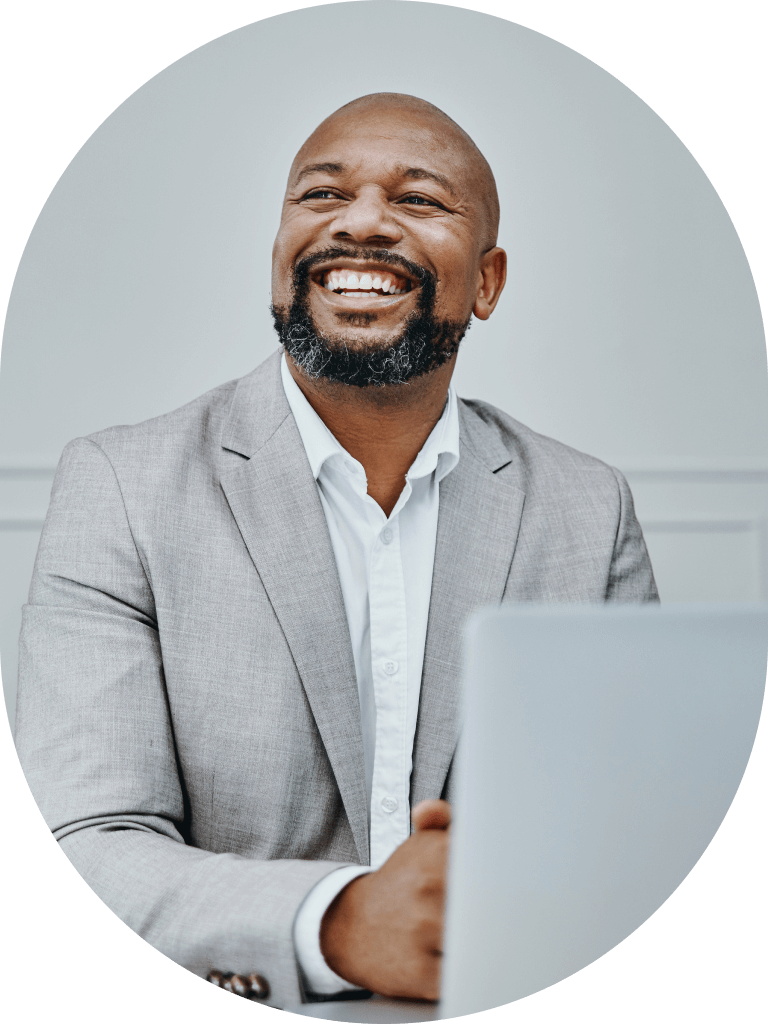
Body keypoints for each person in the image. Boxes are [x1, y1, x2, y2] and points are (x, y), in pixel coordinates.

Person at [15, 93, 658, 1009]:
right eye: (320, 196)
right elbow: (87, 840)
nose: (361, 223)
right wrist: (340, 923)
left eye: (420, 200)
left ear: (487, 281)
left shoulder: (589, 510)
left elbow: (633, 831)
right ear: (280, 259)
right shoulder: (120, 487)